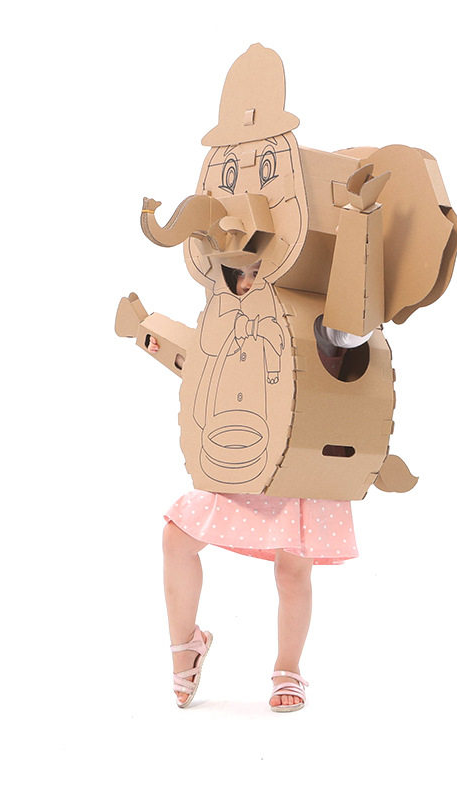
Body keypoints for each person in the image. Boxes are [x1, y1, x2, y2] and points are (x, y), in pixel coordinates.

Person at [149, 265, 371, 711]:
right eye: (242, 273)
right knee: (177, 535)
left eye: (259, 270)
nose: (249, 282)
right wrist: (163, 346)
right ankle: (186, 644)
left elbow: (354, 334)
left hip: (303, 458)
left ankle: (288, 667)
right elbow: (210, 372)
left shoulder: (319, 318)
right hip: (245, 456)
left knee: (292, 571)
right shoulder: (234, 319)